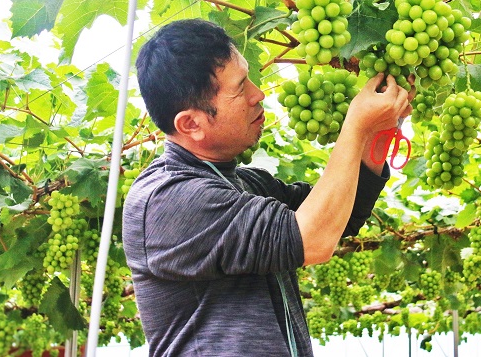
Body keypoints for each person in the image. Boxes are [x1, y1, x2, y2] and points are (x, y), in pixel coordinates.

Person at [122, 18, 413, 356]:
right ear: (191, 123)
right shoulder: (166, 199)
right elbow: (312, 239)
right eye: (241, 87)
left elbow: (342, 217)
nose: (258, 94)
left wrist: (381, 128)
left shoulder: (245, 183)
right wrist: (356, 125)